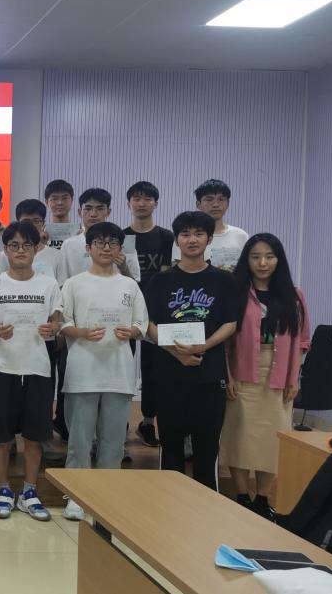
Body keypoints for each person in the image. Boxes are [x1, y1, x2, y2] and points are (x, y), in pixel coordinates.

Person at [58, 222, 148, 522]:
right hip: (82, 373)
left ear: (120, 249)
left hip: (118, 373)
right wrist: (82, 332)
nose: (106, 247)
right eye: (99, 242)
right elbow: (62, 323)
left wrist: (131, 331)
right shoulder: (74, 284)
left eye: (112, 243)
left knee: (113, 444)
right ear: (88, 248)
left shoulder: (129, 286)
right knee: (79, 443)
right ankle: (76, 497)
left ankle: (106, 500)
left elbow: (142, 324)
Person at [0, 221, 62, 522]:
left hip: (37, 369)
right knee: (1, 438)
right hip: (2, 368)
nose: (21, 250)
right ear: (5, 249)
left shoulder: (49, 284)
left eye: (27, 245)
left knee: (34, 438)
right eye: (14, 245)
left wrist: (53, 327)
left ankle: (29, 492)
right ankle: (3, 489)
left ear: (37, 248)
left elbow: (57, 320)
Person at [221, 234, 310, 519]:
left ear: (278, 260)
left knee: (273, 440)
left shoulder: (294, 295)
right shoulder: (236, 292)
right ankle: (242, 496)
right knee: (239, 437)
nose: (262, 263)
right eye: (255, 256)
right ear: (246, 260)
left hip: (280, 373)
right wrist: (228, 376)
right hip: (242, 372)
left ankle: (261, 499)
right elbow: (225, 341)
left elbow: (302, 340)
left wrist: (294, 377)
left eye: (269, 256)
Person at [147, 211, 238, 491]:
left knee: (207, 449)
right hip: (169, 375)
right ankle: (168, 506)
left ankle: (206, 508)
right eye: (185, 234)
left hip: (209, 377)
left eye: (199, 234)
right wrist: (176, 352)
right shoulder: (161, 281)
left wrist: (203, 346)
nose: (192, 239)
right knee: (171, 447)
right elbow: (148, 323)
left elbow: (231, 323)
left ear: (209, 239)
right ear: (177, 240)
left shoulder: (224, 281)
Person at [123, 181, 174, 448]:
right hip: (124, 309)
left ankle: (148, 422)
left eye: (147, 199)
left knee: (153, 369)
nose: (141, 203)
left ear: (156, 203)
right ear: (128, 203)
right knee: (122, 365)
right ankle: (120, 423)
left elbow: (166, 275)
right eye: (136, 198)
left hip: (156, 310)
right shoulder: (120, 236)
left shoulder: (167, 237)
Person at [61, 188, 139, 281]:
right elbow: (62, 282)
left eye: (100, 209)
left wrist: (124, 268)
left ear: (108, 212)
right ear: (79, 212)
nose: (93, 214)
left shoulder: (125, 242)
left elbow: (135, 283)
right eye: (88, 209)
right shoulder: (69, 245)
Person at [171, 179, 249, 272]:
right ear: (198, 204)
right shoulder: (185, 237)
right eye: (209, 199)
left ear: (228, 204)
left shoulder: (240, 236)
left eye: (221, 199)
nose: (215, 204)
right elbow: (177, 271)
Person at [0, 200, 67, 285]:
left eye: (36, 221)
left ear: (43, 224)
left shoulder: (57, 255)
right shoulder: (5, 255)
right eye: (26, 221)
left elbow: (61, 287)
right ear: (18, 222)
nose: (31, 225)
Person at [44, 179, 79, 249]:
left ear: (72, 200)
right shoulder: (42, 233)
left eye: (65, 198)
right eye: (54, 199)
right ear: (47, 202)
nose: (60, 202)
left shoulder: (80, 233)